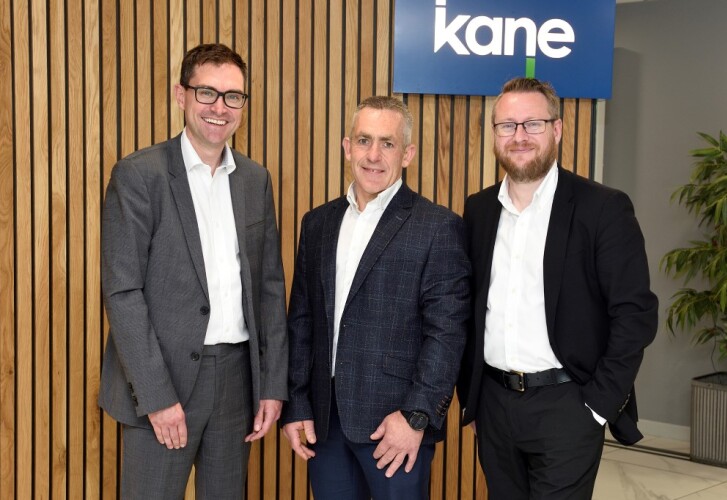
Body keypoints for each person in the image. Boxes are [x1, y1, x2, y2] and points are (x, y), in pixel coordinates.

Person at [99, 43, 288, 499]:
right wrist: (157, 396)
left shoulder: (254, 179)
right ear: (180, 95)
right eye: (207, 93)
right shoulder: (138, 175)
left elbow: (268, 289)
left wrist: (272, 384)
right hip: (162, 385)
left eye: (233, 96)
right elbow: (123, 293)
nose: (219, 107)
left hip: (238, 382)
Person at [457, 77, 658, 499]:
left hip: (569, 405)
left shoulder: (602, 208)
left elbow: (635, 314)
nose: (520, 136)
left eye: (533, 123)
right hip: (494, 404)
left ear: (557, 130)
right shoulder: (478, 210)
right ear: (494, 134)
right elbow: (468, 311)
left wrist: (597, 407)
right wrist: (473, 398)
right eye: (507, 126)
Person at [280, 96, 471, 500]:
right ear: (347, 146)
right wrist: (296, 403)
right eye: (364, 140)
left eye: (387, 143)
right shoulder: (317, 224)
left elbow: (447, 334)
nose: (373, 155)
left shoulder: (438, 227)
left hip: (395, 426)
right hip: (325, 423)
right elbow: (301, 321)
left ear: (408, 154)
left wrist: (415, 417)